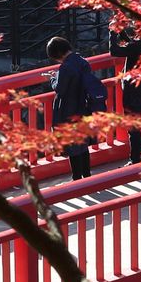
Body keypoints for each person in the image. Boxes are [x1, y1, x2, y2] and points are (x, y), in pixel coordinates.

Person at [46, 36, 108, 180]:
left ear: (57, 54)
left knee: (73, 146)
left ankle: (76, 178)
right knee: (83, 144)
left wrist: (53, 78)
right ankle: (87, 175)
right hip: (84, 107)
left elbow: (60, 89)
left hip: (69, 110)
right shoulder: (82, 61)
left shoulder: (66, 67)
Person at [109, 30, 141, 165]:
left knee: (134, 126)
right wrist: (121, 32)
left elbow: (114, 51)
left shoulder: (136, 46)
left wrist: (112, 33)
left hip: (133, 91)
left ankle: (136, 158)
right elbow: (131, 44)